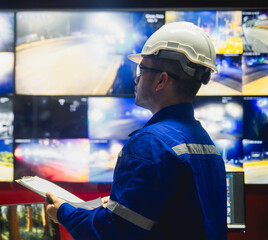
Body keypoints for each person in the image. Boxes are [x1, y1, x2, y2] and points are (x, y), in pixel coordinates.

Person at [46, 21, 227, 240]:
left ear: (161, 80)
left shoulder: (150, 144)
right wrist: (120, 207)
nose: (136, 78)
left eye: (142, 69)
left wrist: (64, 212)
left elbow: (112, 233)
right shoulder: (207, 145)